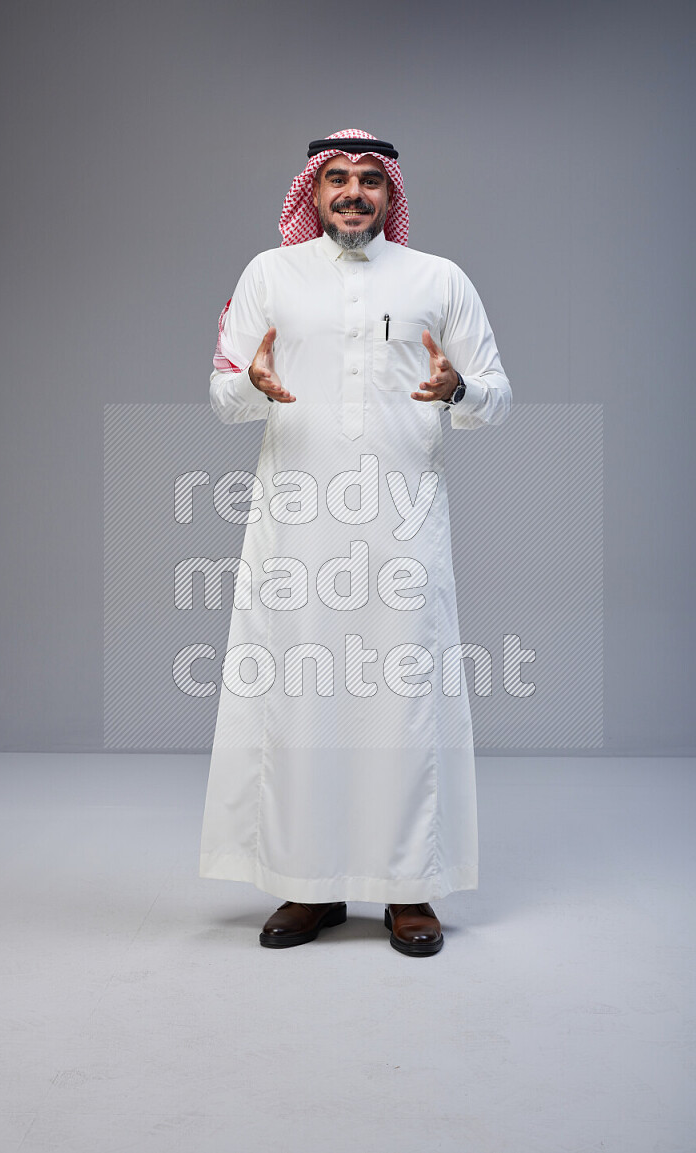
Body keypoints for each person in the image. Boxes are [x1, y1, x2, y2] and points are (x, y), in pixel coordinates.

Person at [199, 129, 512, 956]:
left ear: (389, 194)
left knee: (403, 704)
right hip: (296, 530)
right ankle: (311, 886)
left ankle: (410, 890)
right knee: (301, 701)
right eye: (336, 178)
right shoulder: (269, 275)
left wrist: (460, 388)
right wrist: (250, 385)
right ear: (312, 191)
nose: (352, 193)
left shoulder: (438, 280)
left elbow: (498, 396)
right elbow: (223, 391)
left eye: (370, 180)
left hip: (404, 531)